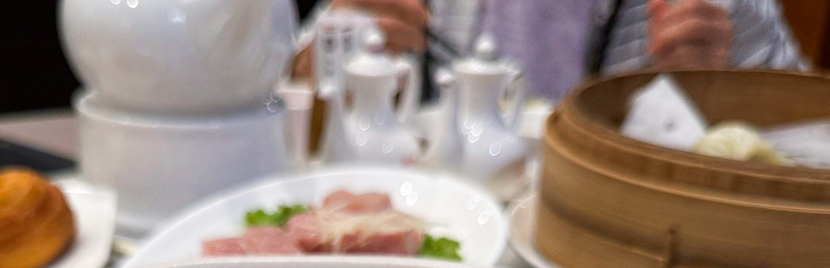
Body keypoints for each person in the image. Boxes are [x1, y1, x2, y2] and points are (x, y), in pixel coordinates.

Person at [294, 0, 803, 99]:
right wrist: (331, 50)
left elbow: (803, 143)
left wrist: (718, 93)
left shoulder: (719, 9)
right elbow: (289, 84)